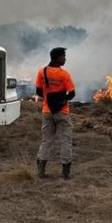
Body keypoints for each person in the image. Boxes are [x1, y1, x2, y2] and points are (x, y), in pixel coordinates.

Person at [35, 47, 76, 180]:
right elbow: (72, 93)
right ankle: (65, 174)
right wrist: (62, 101)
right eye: (64, 56)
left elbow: (39, 91)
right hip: (62, 112)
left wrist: (48, 99)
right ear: (58, 57)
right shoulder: (64, 74)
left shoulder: (42, 72)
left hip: (47, 111)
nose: (65, 58)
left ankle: (41, 172)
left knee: (46, 140)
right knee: (65, 141)